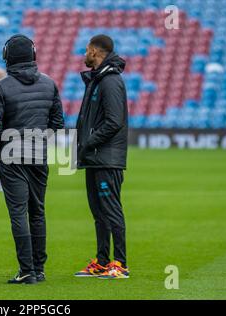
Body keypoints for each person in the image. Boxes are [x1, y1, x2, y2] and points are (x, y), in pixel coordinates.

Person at [0, 35, 64, 284]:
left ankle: (27, 270)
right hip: (38, 156)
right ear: (32, 55)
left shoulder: (0, 88)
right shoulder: (50, 84)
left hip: (11, 158)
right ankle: (39, 269)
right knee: (37, 212)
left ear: (8, 57)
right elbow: (57, 124)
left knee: (18, 213)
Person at [74, 35, 130, 279]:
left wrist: (88, 142)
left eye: (86, 50)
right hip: (96, 157)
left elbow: (114, 121)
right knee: (99, 212)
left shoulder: (110, 81)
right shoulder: (97, 80)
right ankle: (103, 261)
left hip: (107, 158)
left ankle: (120, 263)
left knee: (111, 210)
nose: (84, 54)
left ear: (95, 51)